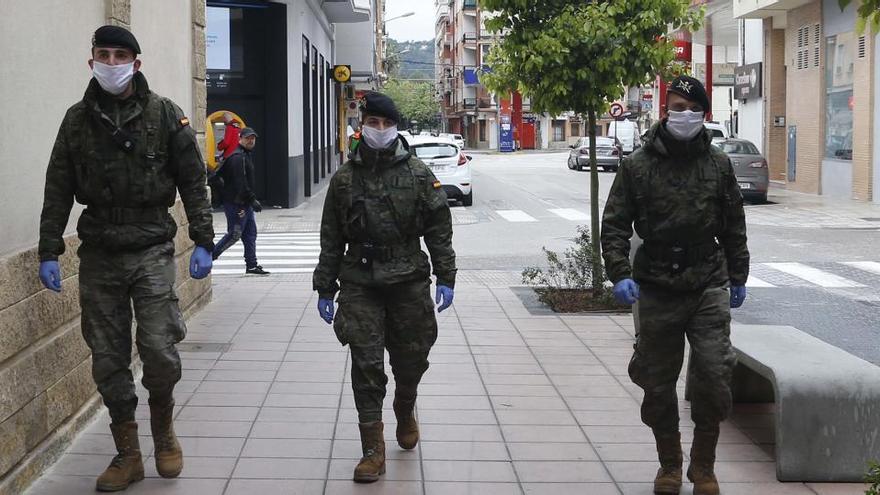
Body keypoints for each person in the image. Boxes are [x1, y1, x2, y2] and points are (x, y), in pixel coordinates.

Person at [37, 25, 215, 491]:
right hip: (100, 253)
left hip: (152, 247)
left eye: (120, 55)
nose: (111, 62)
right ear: (91, 59)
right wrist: (49, 248)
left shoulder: (164, 114)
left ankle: (164, 433)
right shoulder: (76, 121)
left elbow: (193, 182)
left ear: (136, 64)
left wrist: (203, 239)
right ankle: (128, 454)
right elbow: (57, 188)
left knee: (159, 349)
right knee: (107, 358)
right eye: (103, 54)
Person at [600, 75, 749, 495]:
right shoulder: (638, 164)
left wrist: (738, 275)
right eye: (676, 107)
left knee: (715, 373)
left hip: (707, 281)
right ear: (665, 110)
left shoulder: (718, 163)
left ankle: (704, 467)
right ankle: (669, 463)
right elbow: (614, 225)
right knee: (656, 379)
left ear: (704, 113)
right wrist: (620, 272)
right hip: (658, 284)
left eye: (691, 108)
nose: (683, 115)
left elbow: (734, 222)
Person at [312, 92, 456, 483]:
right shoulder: (344, 178)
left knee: (412, 359)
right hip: (360, 281)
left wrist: (446, 277)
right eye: (372, 123)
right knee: (367, 364)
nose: (378, 130)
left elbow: (439, 231)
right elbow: (330, 236)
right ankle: (372, 450)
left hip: (408, 279)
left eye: (385, 124)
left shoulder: (419, 175)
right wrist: (325, 287)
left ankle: (405, 404)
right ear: (362, 126)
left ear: (396, 129)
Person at [211, 127, 269, 275]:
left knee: (250, 233)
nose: (251, 140)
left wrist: (249, 201)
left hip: (243, 203)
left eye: (253, 138)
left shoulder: (245, 155)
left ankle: (251, 265)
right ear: (240, 138)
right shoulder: (238, 158)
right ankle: (209, 257)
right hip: (236, 203)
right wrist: (253, 200)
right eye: (248, 138)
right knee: (234, 234)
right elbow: (240, 183)